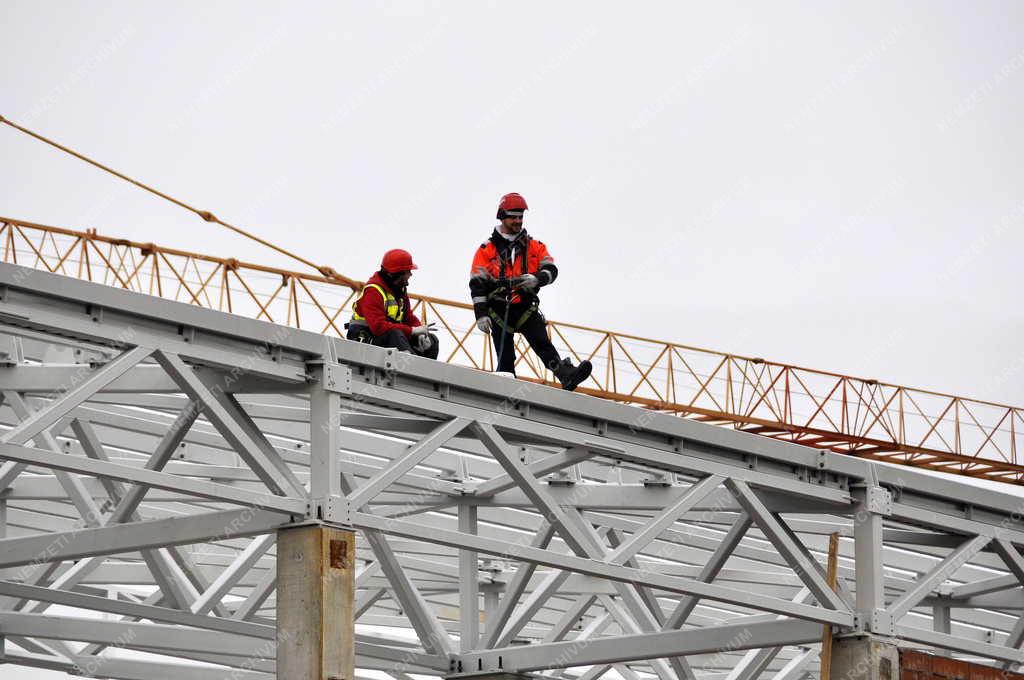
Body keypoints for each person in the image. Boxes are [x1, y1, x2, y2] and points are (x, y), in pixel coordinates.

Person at [469, 192, 592, 391]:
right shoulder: (486, 250)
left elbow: (551, 270)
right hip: (499, 309)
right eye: (513, 217)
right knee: (505, 357)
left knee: (542, 343)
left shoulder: (534, 246)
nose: (518, 221)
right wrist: (481, 314)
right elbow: (477, 284)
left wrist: (537, 278)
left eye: (521, 217)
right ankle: (506, 388)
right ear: (502, 216)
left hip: (525, 305)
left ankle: (566, 375)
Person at [346, 249, 439, 359]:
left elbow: (408, 317)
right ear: (398, 274)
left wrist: (420, 332)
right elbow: (379, 327)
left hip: (386, 336)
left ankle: (426, 371)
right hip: (366, 339)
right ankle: (413, 369)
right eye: (408, 271)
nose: (411, 274)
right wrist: (412, 331)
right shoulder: (373, 291)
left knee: (432, 340)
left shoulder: (399, 290)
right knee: (395, 334)